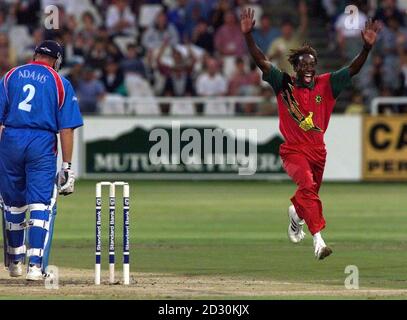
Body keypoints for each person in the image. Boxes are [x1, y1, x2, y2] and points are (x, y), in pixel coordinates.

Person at [241, 8, 380, 259]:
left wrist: (367, 49)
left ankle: (295, 215)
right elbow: (261, 59)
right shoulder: (283, 83)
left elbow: (353, 69)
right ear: (295, 66)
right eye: (303, 65)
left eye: (312, 65)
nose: (308, 69)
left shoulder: (327, 84)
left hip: (318, 152)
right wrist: (249, 36)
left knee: (308, 195)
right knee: (306, 184)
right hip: (293, 151)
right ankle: (318, 241)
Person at [0, 40, 83, 280]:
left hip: (11, 138)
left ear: (35, 55)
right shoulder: (60, 82)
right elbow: (67, 129)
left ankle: (15, 261)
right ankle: (35, 267)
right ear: (57, 61)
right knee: (40, 204)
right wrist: (67, 167)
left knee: (13, 204)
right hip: (41, 143)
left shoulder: (10, 76)